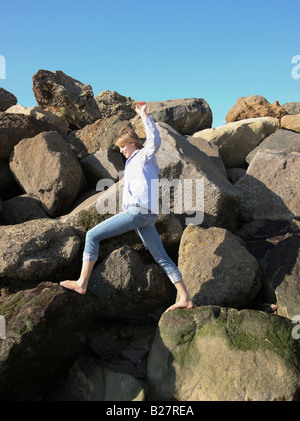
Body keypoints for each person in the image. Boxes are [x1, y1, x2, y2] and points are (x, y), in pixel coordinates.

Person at [60, 101, 194, 312]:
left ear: (133, 143)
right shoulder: (132, 164)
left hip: (138, 213)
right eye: (119, 147)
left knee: (92, 235)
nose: (121, 150)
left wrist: (143, 115)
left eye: (123, 146)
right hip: (146, 217)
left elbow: (155, 140)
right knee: (161, 257)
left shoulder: (144, 156)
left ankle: (82, 283)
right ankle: (185, 297)